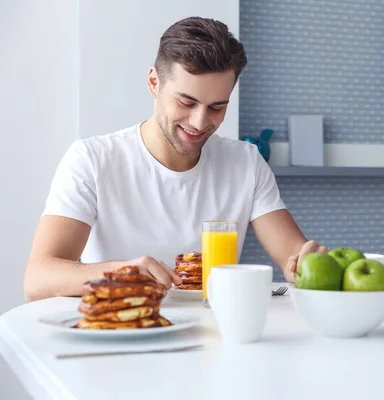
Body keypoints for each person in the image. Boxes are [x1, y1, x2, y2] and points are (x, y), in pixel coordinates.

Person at [24, 16, 326, 302]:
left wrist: (303, 266)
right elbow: (37, 281)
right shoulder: (92, 160)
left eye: (217, 107)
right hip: (120, 336)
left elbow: (293, 259)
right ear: (154, 83)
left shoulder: (246, 163)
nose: (199, 122)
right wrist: (123, 273)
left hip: (214, 338)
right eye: (187, 102)